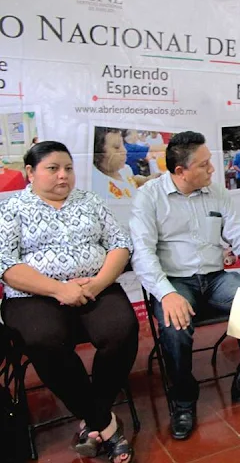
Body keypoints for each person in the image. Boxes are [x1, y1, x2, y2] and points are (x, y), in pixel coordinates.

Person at [129, 131, 240, 441]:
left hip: (215, 279)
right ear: (180, 171)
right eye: (204, 165)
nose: (212, 169)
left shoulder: (216, 192)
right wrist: (167, 293)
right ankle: (183, 402)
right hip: (175, 282)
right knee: (174, 327)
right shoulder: (149, 197)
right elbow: (143, 254)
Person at [0, 142, 138, 463]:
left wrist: (98, 283)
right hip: (34, 297)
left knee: (122, 331)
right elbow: (5, 263)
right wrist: (58, 290)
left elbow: (120, 243)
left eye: (68, 168)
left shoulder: (89, 200)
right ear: (30, 172)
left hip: (94, 288)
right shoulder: (12, 208)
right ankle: (105, 424)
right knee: (43, 340)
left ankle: (93, 420)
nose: (63, 175)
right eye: (53, 169)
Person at [92, 127, 157, 202]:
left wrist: (146, 180)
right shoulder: (102, 190)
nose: (125, 151)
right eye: (117, 147)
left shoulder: (123, 168)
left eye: (123, 144)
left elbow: (130, 179)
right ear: (97, 155)